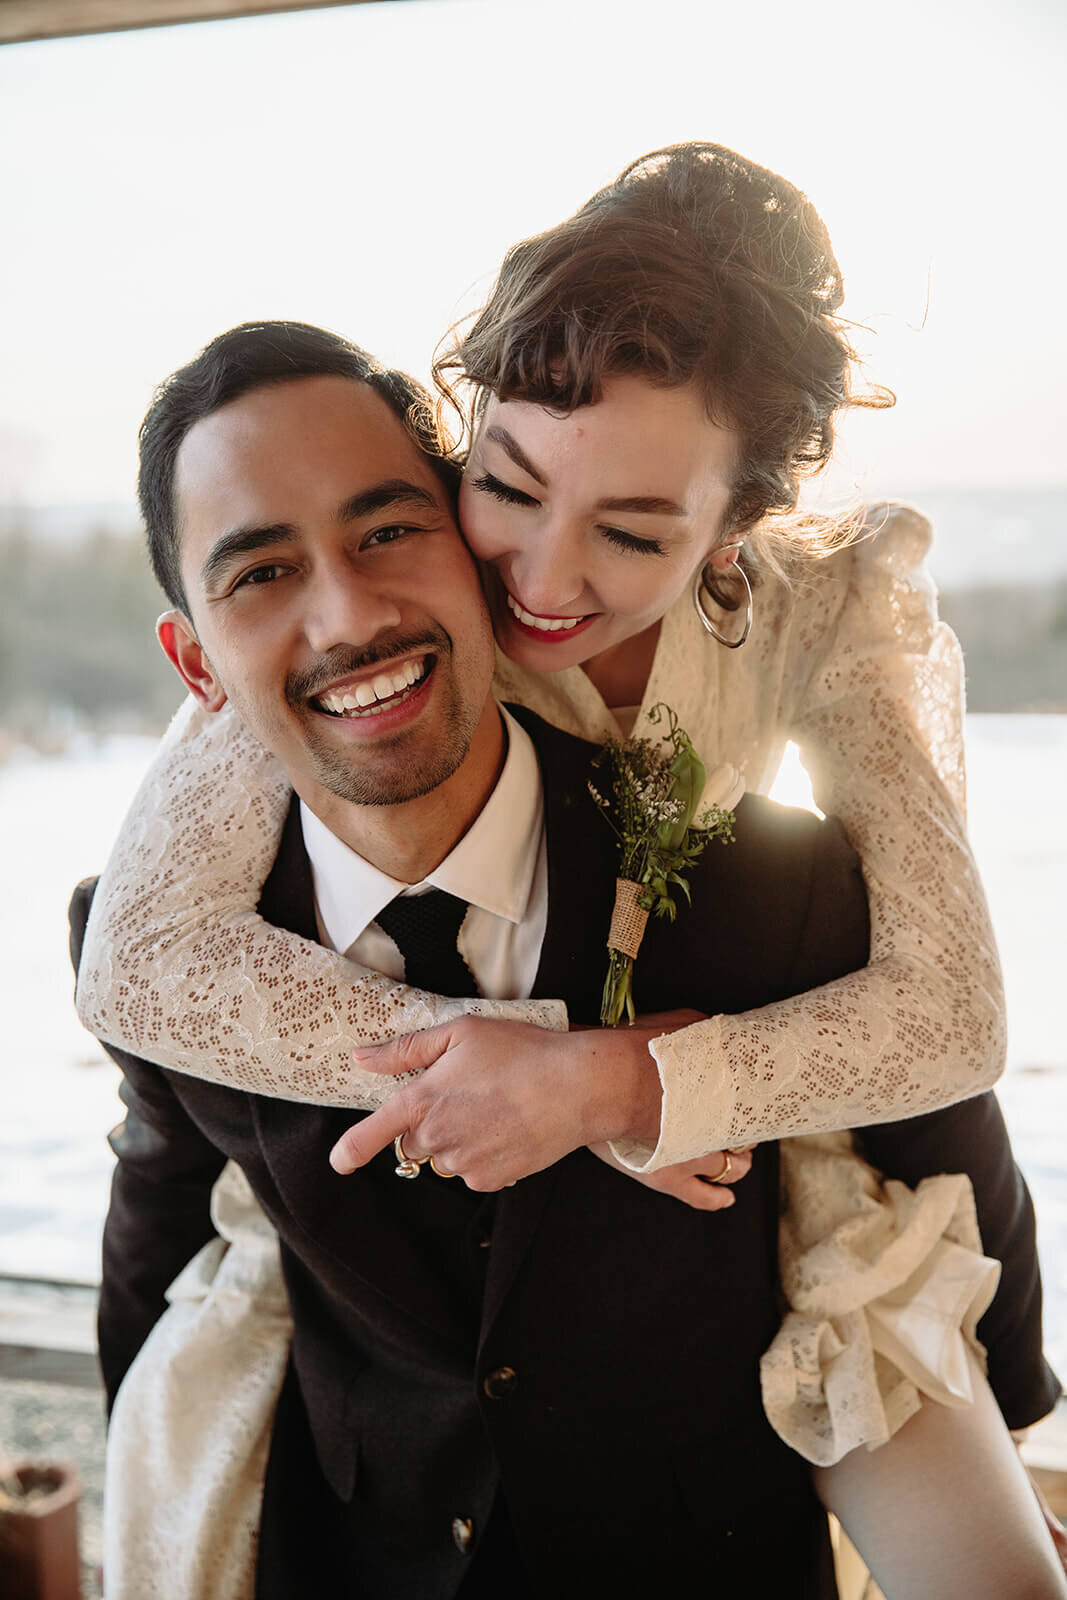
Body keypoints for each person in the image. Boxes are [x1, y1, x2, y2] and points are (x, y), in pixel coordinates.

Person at [75, 143, 1065, 1579]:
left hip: (771, 1132)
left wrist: (620, 1082)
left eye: (635, 530)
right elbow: (146, 963)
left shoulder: (826, 614)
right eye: (510, 489)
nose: (539, 580)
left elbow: (943, 1016)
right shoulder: (370, 588)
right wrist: (537, 1068)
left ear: (736, 527)